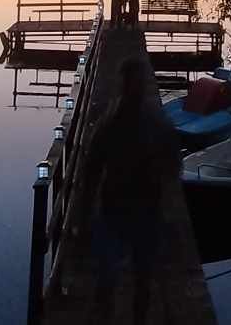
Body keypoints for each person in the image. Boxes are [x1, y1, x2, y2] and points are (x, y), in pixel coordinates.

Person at [76, 56, 180, 323]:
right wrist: (85, 212)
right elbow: (92, 169)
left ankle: (136, 317)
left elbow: (172, 166)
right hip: (116, 209)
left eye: (137, 83)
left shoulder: (153, 124)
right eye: (131, 83)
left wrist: (167, 205)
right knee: (109, 278)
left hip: (145, 209)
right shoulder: (112, 123)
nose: (135, 88)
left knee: (141, 279)